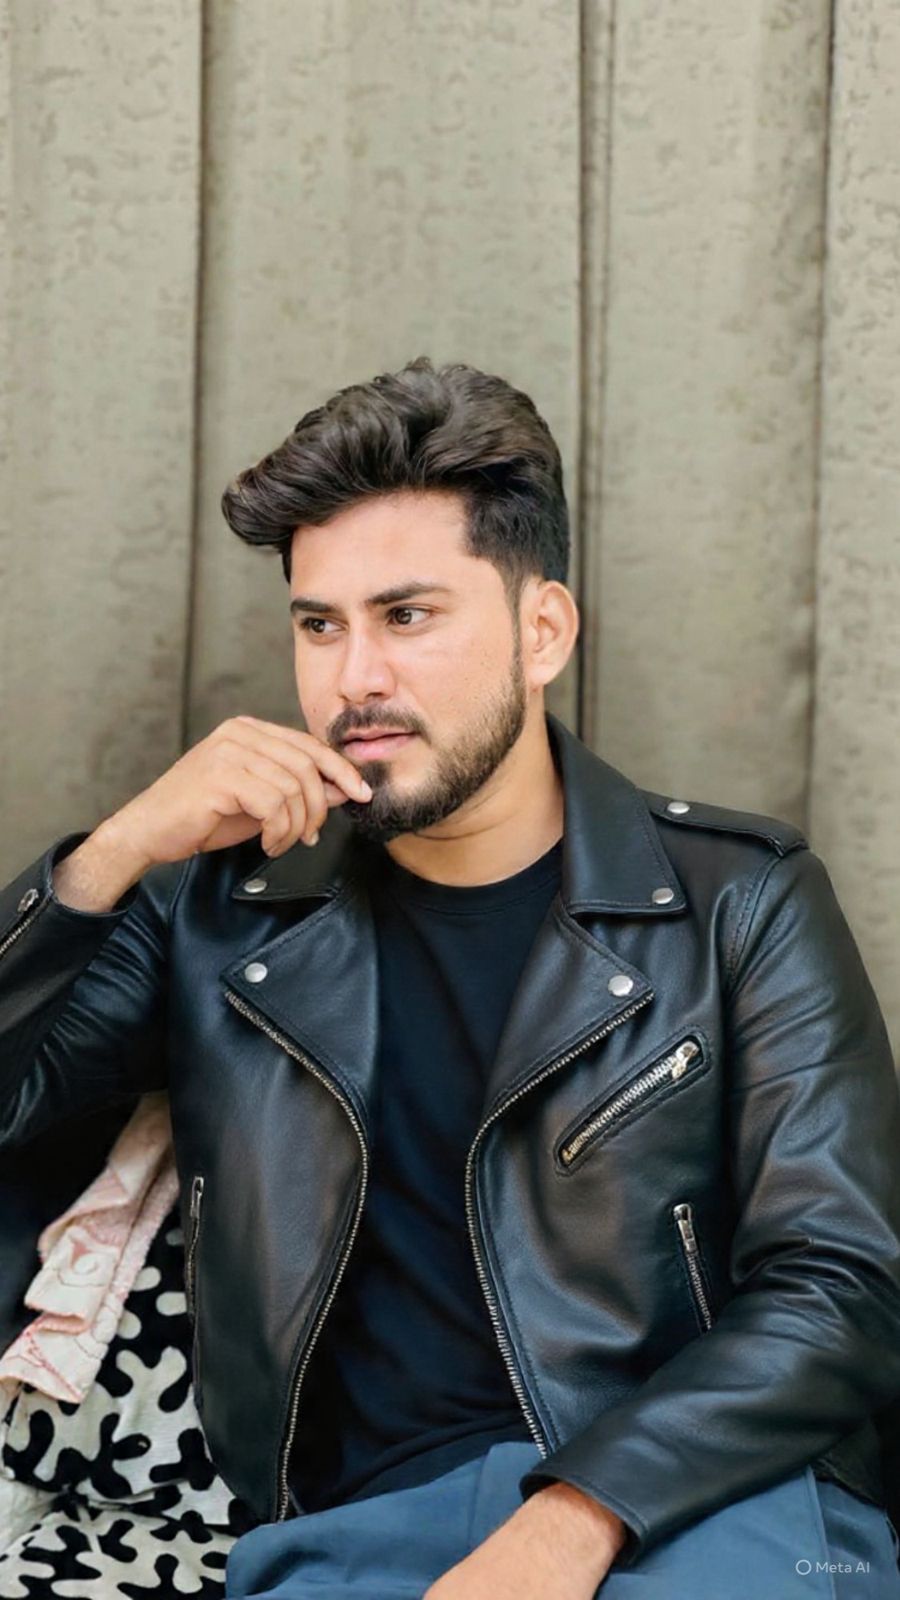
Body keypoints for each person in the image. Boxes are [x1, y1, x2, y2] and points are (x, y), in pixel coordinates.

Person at [1, 356, 899, 1600]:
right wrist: (114, 853)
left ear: (543, 631)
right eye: (320, 625)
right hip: (359, 1535)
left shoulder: (737, 899)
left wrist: (574, 1518)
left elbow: (843, 1285)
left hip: (701, 1505)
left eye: (408, 616)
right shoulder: (213, 913)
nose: (354, 678)